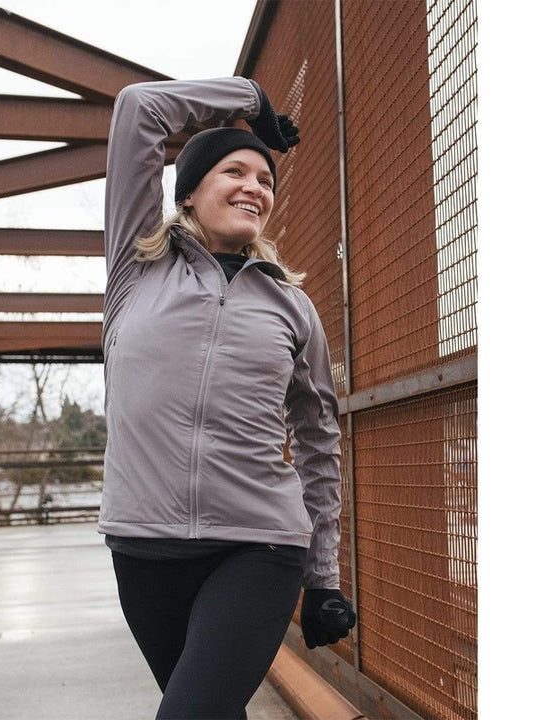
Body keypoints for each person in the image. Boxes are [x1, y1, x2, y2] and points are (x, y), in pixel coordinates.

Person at [97, 76, 356, 720]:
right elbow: (139, 107)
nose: (255, 187)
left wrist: (322, 576)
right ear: (188, 191)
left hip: (258, 547)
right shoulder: (135, 272)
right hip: (143, 546)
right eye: (234, 171)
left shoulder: (291, 305)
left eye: (265, 180)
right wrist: (251, 102)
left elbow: (319, 439)